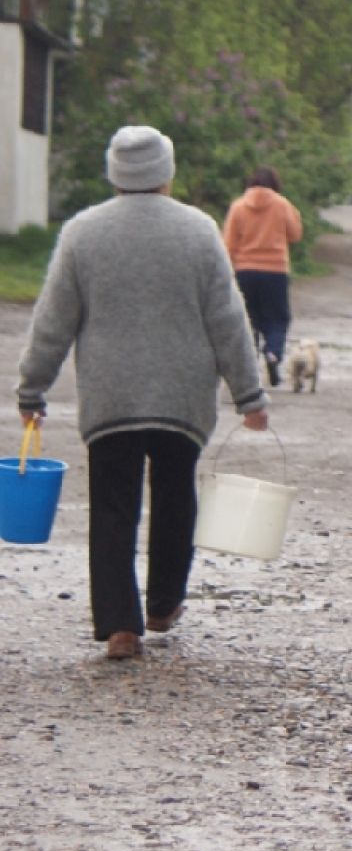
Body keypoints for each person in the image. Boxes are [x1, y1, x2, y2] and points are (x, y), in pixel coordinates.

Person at [15, 125, 270, 661]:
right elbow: (226, 317)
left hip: (111, 397)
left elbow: (54, 320)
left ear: (114, 173)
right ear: (166, 173)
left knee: (112, 507)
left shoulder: (83, 233)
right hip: (181, 396)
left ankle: (119, 627)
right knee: (177, 498)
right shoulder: (198, 231)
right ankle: (162, 605)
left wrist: (32, 387)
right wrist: (250, 394)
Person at [223, 165, 304, 387]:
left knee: (249, 321)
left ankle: (249, 372)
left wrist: (227, 272)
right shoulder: (282, 204)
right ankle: (273, 353)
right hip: (275, 271)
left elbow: (228, 243)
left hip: (245, 271)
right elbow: (296, 234)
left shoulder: (238, 206)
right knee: (277, 318)